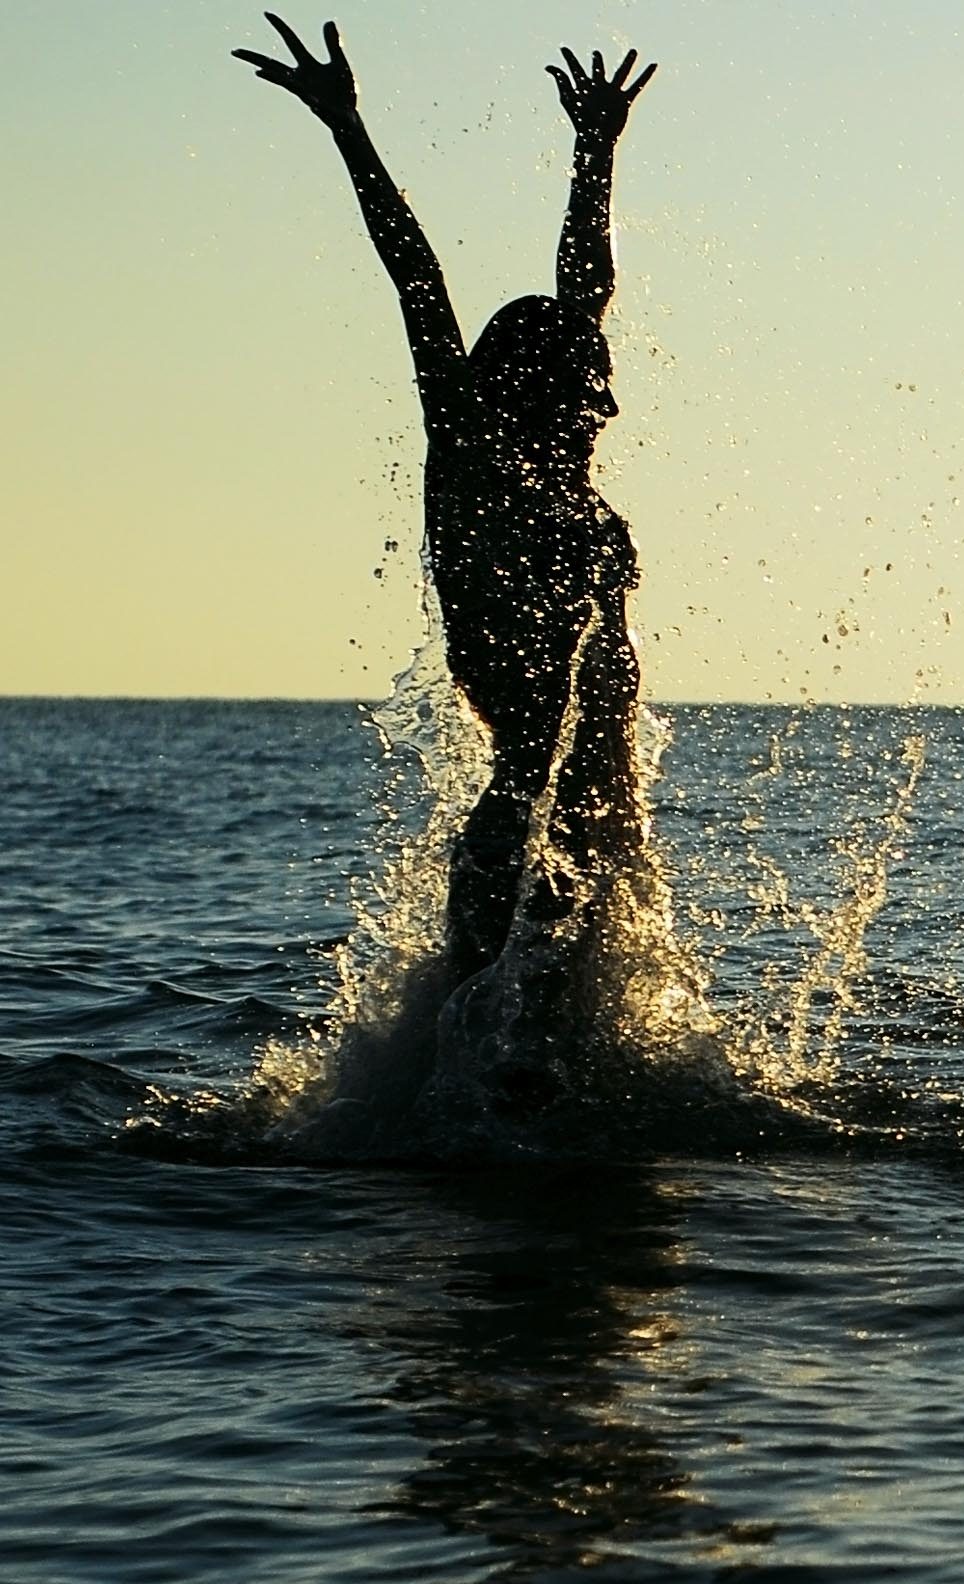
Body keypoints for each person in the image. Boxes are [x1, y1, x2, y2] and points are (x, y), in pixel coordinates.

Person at [236, 17, 662, 1006]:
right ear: (528, 391)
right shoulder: (478, 475)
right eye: (584, 384)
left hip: (605, 829)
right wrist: (347, 128)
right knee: (507, 1099)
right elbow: (419, 285)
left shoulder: (565, 485)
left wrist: (594, 152)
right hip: (525, 835)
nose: (606, 403)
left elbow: (585, 292)